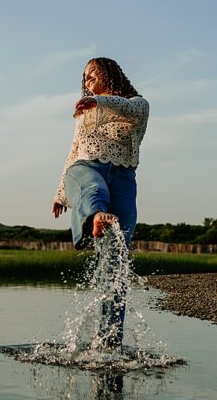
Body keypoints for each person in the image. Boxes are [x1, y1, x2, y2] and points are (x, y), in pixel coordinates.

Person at [52, 57, 149, 346]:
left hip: (123, 180)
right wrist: (60, 193)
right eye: (85, 76)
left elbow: (131, 109)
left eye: (94, 72)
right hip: (85, 169)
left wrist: (99, 101)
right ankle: (95, 215)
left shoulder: (137, 104)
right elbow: (74, 150)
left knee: (115, 263)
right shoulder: (85, 112)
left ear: (110, 73)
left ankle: (108, 342)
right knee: (95, 191)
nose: (88, 78)